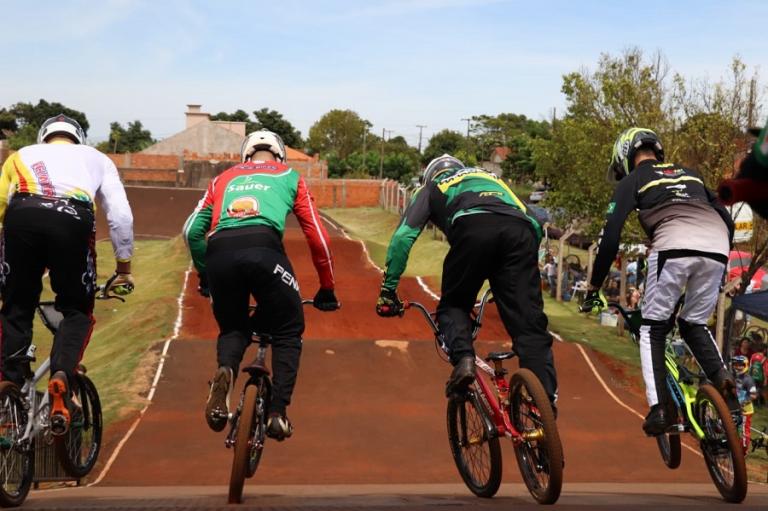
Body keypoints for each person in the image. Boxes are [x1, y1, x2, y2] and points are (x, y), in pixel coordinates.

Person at [183, 130, 339, 440]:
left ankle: (226, 371)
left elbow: (190, 232)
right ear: (280, 156)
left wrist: (205, 275)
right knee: (288, 329)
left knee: (233, 328)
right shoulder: (290, 176)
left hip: (219, 253)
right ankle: (277, 413)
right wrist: (327, 288)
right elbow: (318, 238)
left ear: (245, 156)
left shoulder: (222, 179)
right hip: (265, 251)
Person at [581, 128, 737, 436]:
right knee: (693, 323)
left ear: (624, 156)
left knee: (652, 327)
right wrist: (718, 260)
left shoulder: (632, 180)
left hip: (673, 245)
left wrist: (594, 286)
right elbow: (727, 220)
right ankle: (724, 382)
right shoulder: (691, 175)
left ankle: (660, 408)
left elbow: (610, 238)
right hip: (717, 247)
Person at [375, 154, 558, 407]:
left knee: (454, 306)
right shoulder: (494, 179)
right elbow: (535, 222)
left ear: (430, 175)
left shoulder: (431, 187)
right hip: (521, 233)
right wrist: (515, 279)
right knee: (529, 325)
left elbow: (402, 238)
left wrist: (388, 291)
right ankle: (544, 404)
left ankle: (464, 360)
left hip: (472, 228)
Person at [0, 114, 134, 435]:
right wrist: (123, 268)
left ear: (44, 136)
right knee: (76, 309)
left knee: (16, 306)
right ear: (79, 138)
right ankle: (62, 375)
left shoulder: (20, 155)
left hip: (21, 217)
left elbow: (1, 205)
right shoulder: (97, 158)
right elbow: (120, 215)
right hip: (72, 219)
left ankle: (9, 389)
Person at [732, 356, 758, 455]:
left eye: (740, 365)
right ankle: (734, 447)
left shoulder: (748, 380)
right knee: (734, 429)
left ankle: (743, 451)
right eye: (736, 364)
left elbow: (753, 395)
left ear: (745, 366)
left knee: (743, 431)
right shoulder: (735, 377)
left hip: (745, 411)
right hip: (736, 408)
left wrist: (743, 403)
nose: (737, 367)